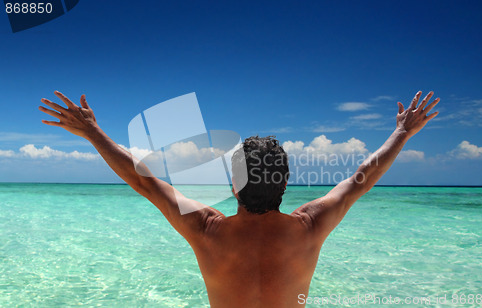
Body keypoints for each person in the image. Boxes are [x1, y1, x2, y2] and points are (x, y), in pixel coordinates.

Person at [39, 90, 439, 307]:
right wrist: (402, 132)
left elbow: (144, 181)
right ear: (285, 183)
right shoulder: (311, 226)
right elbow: (359, 181)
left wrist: (92, 132)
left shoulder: (207, 230)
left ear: (233, 185)